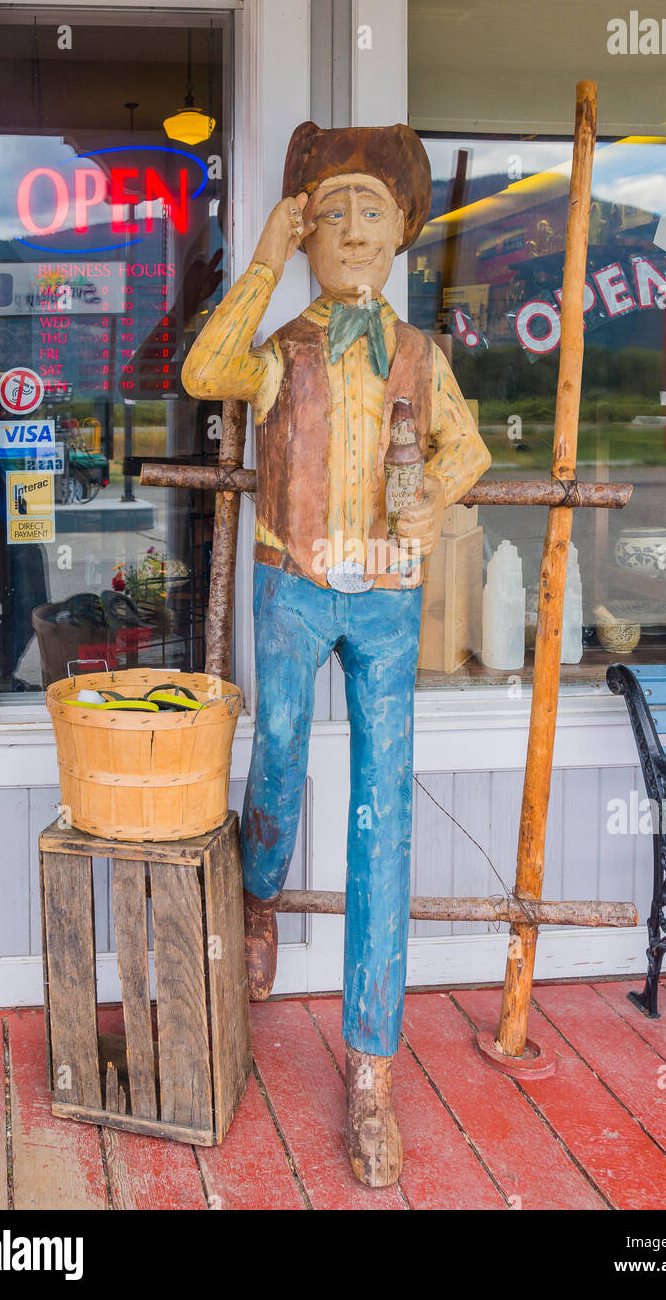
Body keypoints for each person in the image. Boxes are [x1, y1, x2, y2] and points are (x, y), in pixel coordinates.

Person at [182, 121, 490, 1187]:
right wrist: (262, 253)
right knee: (276, 760)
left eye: (375, 210)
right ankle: (261, 889)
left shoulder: (417, 354)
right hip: (294, 584)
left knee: (383, 820)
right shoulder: (287, 351)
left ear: (405, 230)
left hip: (390, 606)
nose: (355, 230)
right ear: (308, 229)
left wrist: (426, 516)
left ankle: (371, 1071)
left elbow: (469, 447)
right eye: (334, 211)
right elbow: (202, 368)